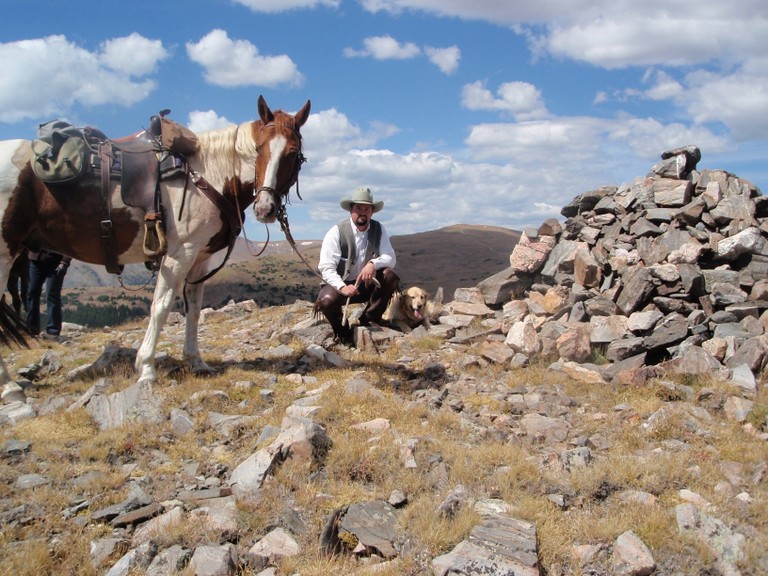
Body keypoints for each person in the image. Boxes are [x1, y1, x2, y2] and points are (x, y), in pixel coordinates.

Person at [315, 187, 399, 344]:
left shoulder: (379, 229)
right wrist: (342, 287)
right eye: (358, 208)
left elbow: (390, 257)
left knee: (390, 276)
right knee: (326, 300)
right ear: (351, 210)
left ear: (372, 212)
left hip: (366, 284)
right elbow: (326, 268)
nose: (363, 212)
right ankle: (343, 333)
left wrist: (373, 263)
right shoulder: (336, 232)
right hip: (340, 286)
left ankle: (370, 318)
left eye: (367, 208)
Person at [26, 248, 71, 338]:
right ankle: (32, 329)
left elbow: (71, 242)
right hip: (36, 260)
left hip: (57, 261)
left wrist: (65, 262)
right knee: (32, 293)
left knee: (52, 294)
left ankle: (53, 332)